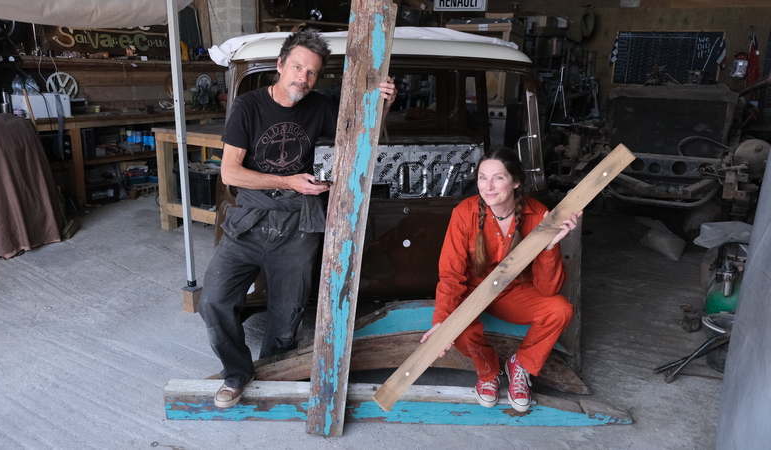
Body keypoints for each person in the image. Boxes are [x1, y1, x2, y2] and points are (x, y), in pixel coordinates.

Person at [198, 29, 396, 409]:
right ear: (280, 65)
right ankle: (238, 374)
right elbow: (230, 173)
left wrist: (382, 104)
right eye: (297, 67)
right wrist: (289, 180)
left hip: (297, 223)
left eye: (312, 73)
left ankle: (272, 374)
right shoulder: (248, 106)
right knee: (214, 301)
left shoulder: (318, 106)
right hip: (250, 220)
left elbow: (359, 135)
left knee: (288, 312)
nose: (302, 78)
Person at [421, 147, 581, 412]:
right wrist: (441, 321)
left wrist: (550, 247)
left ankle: (521, 366)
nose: (488, 186)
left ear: (516, 182)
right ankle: (488, 373)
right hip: (473, 292)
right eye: (482, 178)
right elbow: (451, 274)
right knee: (455, 326)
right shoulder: (465, 212)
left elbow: (548, 288)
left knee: (560, 310)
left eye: (498, 178)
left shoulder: (537, 214)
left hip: (513, 292)